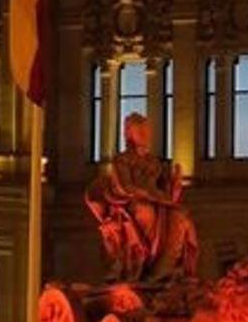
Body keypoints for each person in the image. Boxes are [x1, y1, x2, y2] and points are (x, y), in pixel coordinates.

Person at [85, 113, 198, 282]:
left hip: (157, 202)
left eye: (147, 132)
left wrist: (174, 186)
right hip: (128, 203)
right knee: (145, 211)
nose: (146, 137)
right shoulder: (122, 160)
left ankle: (163, 269)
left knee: (180, 216)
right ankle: (141, 264)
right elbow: (125, 187)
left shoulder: (154, 162)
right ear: (130, 134)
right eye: (141, 133)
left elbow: (165, 190)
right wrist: (152, 195)